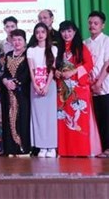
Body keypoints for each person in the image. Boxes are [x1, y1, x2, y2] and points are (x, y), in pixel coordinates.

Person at [55, 20, 101, 157]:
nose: (66, 34)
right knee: (64, 120)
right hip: (62, 90)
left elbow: (89, 64)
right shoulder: (58, 49)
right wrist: (56, 72)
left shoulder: (81, 47)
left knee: (79, 120)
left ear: (75, 32)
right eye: (63, 31)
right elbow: (54, 66)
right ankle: (66, 151)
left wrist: (73, 71)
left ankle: (81, 150)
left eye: (69, 31)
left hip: (78, 89)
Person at [27, 22, 58, 158]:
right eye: (37, 32)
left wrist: (46, 85)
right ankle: (41, 146)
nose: (40, 35)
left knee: (50, 117)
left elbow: (52, 69)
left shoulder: (54, 49)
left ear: (47, 34)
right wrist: (35, 84)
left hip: (49, 85)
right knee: (38, 117)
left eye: (43, 32)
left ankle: (51, 146)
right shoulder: (31, 50)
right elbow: (31, 70)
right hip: (35, 86)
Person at [1, 29, 31, 156]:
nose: (17, 42)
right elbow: (4, 73)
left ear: (25, 41)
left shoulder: (28, 54)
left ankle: (23, 148)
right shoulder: (8, 55)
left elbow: (28, 73)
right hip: (8, 92)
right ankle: (11, 148)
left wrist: (16, 83)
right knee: (9, 117)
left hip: (22, 92)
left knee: (22, 118)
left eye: (19, 40)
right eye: (14, 40)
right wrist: (6, 81)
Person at [84, 11, 109, 158]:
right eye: (90, 23)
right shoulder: (84, 43)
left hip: (104, 85)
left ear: (102, 25)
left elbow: (107, 62)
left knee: (106, 117)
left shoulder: (106, 41)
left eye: (96, 23)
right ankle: (96, 147)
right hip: (88, 87)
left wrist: (99, 82)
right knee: (94, 118)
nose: (92, 26)